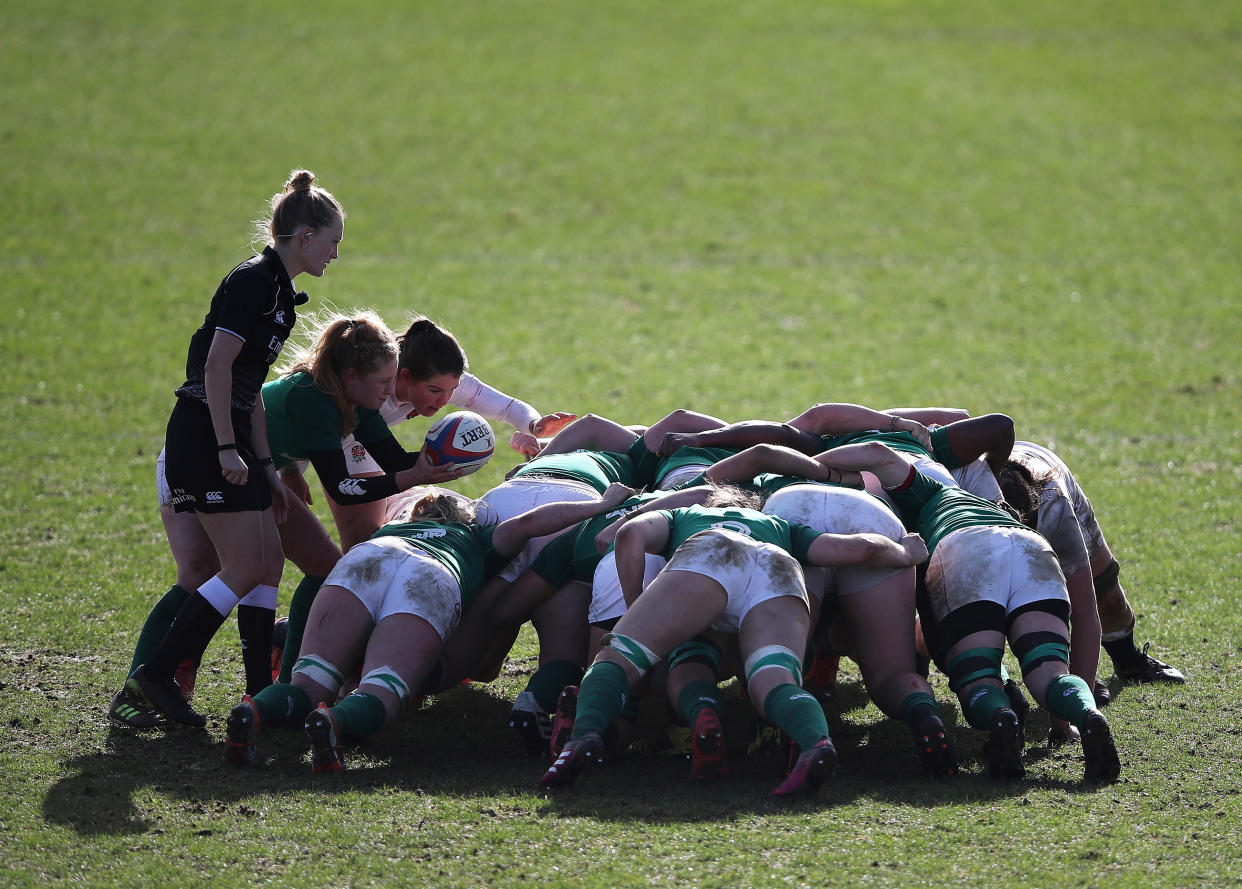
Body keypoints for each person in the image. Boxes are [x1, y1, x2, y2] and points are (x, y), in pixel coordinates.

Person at [115, 170, 344, 729]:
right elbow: (216, 369)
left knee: (266, 565)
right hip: (203, 434)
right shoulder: (253, 283)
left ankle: (258, 692)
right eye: (333, 241)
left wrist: (266, 467)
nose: (336, 254)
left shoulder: (284, 298)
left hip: (237, 438)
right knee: (239, 566)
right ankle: (157, 672)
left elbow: (253, 396)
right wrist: (225, 447)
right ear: (305, 235)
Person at [224, 483, 636, 772]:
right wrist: (602, 505)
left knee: (312, 680)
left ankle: (256, 710)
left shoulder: (394, 525)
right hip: (430, 574)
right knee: (384, 688)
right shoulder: (476, 537)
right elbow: (531, 523)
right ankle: (336, 723)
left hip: (368, 556)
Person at [538, 500, 929, 797]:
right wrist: (907, 553)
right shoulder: (781, 526)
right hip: (779, 567)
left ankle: (583, 737)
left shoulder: (685, 513)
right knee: (773, 683)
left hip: (712, 554)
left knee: (619, 656)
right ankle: (815, 743)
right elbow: (860, 549)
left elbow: (628, 536)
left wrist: (636, 610)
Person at [815, 441, 1122, 784]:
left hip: (966, 549)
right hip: (1030, 546)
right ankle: (1088, 713)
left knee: (978, 677)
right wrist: (1061, 726)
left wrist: (809, 466)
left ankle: (1000, 717)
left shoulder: (927, 489)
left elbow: (876, 452)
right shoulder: (992, 498)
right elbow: (1087, 615)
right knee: (1047, 672)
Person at [998, 442, 1184, 690]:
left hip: (1048, 478)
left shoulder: (1054, 507)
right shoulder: (966, 502)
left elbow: (1085, 610)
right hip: (984, 524)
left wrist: (1081, 689)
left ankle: (1128, 660)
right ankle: (995, 682)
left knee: (1106, 595)